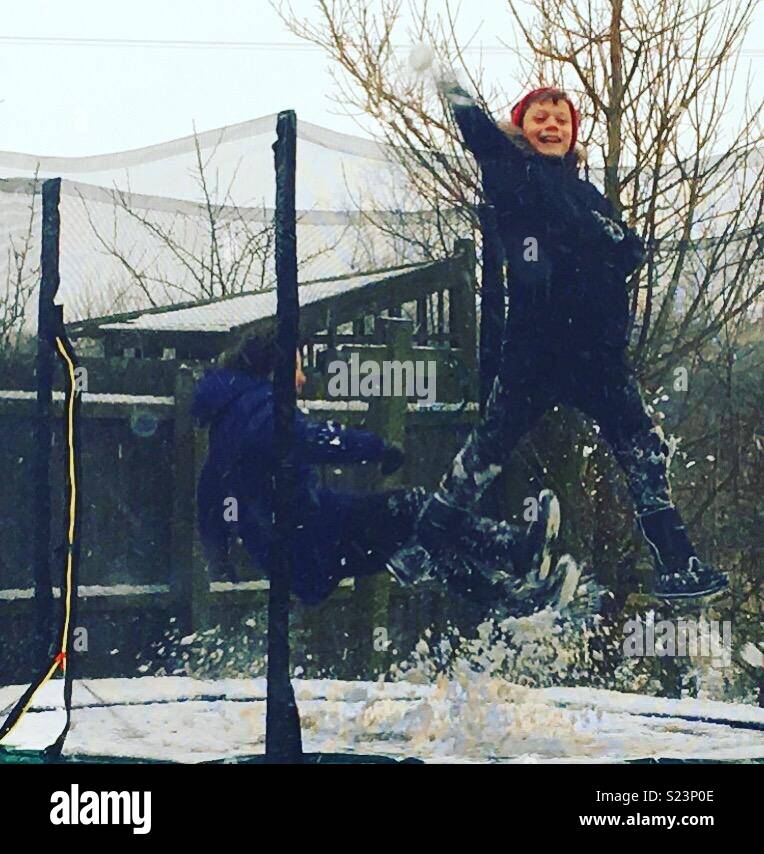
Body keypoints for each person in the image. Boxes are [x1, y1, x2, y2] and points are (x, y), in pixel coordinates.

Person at [389, 66, 728, 601]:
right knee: (487, 450)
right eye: (538, 117)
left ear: (574, 133)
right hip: (537, 351)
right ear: (519, 128)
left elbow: (627, 248)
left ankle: (678, 563)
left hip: (597, 357)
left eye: (561, 119)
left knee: (642, 447)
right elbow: (479, 131)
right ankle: (422, 544)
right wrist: (446, 79)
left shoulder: (586, 192)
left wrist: (616, 247)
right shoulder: (511, 171)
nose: (551, 125)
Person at [190, 329, 582, 616]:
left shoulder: (229, 420)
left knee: (422, 538)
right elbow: (309, 439)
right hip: (311, 541)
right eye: (296, 366)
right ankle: (516, 552)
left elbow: (210, 499)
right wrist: (375, 448)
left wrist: (220, 556)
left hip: (305, 541)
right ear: (273, 368)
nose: (303, 378)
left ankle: (518, 597)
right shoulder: (261, 409)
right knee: (412, 510)